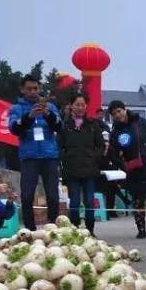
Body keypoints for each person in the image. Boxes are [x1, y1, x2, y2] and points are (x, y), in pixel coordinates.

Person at [8, 75, 61, 229]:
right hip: (29, 157)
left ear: (40, 88)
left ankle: (52, 227)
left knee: (52, 195)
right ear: (22, 89)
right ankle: (30, 229)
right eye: (29, 89)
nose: (33, 92)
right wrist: (29, 117)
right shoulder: (17, 108)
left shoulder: (49, 107)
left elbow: (59, 126)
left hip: (49, 156)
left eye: (35, 88)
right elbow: (13, 129)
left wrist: (48, 115)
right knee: (27, 195)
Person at [107, 99, 146, 238]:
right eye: (114, 114)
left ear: (124, 109)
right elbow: (113, 154)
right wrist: (123, 166)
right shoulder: (115, 132)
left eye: (119, 111)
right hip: (134, 171)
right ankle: (141, 229)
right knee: (138, 201)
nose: (118, 115)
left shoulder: (141, 122)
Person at [58, 93, 104, 235]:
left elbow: (101, 145)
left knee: (90, 202)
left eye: (82, 105)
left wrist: (94, 157)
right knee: (75, 202)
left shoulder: (92, 124)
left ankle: (90, 230)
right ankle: (75, 230)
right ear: (71, 106)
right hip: (72, 171)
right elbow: (59, 146)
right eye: (77, 104)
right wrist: (66, 158)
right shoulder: (64, 125)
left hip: (90, 170)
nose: (80, 108)